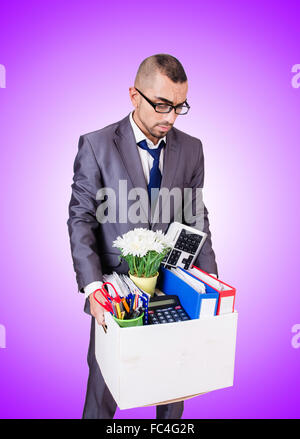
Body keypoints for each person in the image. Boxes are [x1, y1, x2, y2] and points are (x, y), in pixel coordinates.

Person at [67, 53, 218, 419]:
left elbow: (196, 216)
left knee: (173, 385)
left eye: (179, 107)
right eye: (162, 104)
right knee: (104, 392)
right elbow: (81, 218)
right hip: (115, 294)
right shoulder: (96, 145)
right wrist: (92, 288)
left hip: (175, 287)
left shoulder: (192, 149)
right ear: (134, 95)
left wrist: (211, 282)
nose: (169, 117)